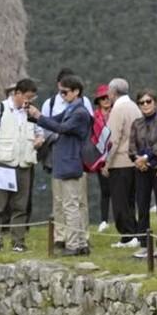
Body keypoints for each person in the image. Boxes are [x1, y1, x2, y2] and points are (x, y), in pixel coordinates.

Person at [27, 75, 92, 256]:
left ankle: (73, 245)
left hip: (70, 162)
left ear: (76, 91)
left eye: (65, 92)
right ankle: (80, 243)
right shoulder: (72, 109)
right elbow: (54, 119)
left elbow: (61, 128)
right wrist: (33, 115)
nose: (62, 96)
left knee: (70, 206)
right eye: (60, 92)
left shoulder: (79, 113)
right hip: (65, 162)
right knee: (71, 205)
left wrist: (39, 116)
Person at [0, 78, 41, 253]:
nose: (27, 101)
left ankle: (18, 242)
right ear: (17, 94)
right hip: (3, 163)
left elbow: (39, 132)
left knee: (21, 206)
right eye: (26, 97)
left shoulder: (29, 112)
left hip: (24, 163)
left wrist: (39, 139)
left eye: (31, 98)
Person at [130, 89, 157, 257]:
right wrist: (137, 160)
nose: (145, 105)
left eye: (148, 101)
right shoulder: (136, 123)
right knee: (142, 205)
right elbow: (131, 145)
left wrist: (147, 158)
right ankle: (144, 244)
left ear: (155, 102)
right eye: (142, 102)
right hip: (141, 169)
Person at [104, 78, 142, 248]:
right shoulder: (134, 106)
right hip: (134, 160)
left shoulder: (118, 109)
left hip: (120, 161)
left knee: (120, 201)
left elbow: (112, 139)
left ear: (113, 92)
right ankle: (134, 233)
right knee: (130, 200)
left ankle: (128, 235)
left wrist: (106, 162)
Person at [91, 84, 113, 232]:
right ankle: (104, 220)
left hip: (117, 155)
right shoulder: (94, 116)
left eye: (107, 97)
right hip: (101, 157)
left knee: (119, 190)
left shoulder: (117, 112)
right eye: (102, 98)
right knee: (105, 190)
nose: (105, 100)